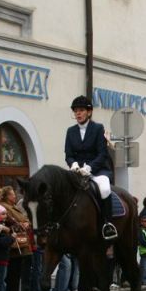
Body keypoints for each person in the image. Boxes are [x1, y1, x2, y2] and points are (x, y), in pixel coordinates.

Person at [64, 95, 117, 240]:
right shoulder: (70, 131)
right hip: (77, 171)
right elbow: (68, 154)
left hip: (98, 170)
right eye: (75, 111)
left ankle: (107, 224)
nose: (78, 114)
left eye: (81, 110)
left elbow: (102, 154)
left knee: (105, 188)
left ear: (89, 112)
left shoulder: (98, 128)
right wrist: (73, 164)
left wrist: (89, 168)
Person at [0, 186, 33, 291]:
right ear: (7, 196)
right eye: (12, 194)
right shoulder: (4, 206)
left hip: (20, 240)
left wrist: (26, 223)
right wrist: (21, 224)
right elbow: (12, 220)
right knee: (12, 271)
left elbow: (25, 218)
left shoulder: (14, 207)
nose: (14, 196)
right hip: (13, 242)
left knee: (17, 270)